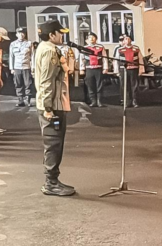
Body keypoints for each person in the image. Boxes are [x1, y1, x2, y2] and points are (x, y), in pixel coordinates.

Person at [34, 20, 75, 196]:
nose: (63, 35)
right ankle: (51, 183)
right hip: (52, 104)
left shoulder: (47, 48)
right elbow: (46, 81)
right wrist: (48, 108)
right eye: (60, 33)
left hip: (54, 102)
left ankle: (53, 180)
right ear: (51, 35)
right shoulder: (49, 51)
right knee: (53, 143)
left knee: (55, 143)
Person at [114, 34, 144, 108]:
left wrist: (141, 69)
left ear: (131, 40)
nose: (127, 40)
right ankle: (127, 101)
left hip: (134, 69)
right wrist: (116, 71)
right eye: (125, 39)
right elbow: (116, 60)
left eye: (128, 39)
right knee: (125, 86)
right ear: (123, 41)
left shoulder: (136, 49)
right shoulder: (119, 49)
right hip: (123, 70)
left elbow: (140, 59)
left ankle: (134, 100)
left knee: (134, 85)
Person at [80, 33, 109, 107]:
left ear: (96, 39)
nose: (92, 39)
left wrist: (105, 68)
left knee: (99, 85)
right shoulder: (84, 48)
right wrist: (82, 69)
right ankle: (93, 101)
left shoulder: (101, 47)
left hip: (98, 68)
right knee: (90, 85)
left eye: (93, 37)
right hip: (89, 68)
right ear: (87, 39)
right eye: (90, 37)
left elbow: (105, 58)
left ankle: (99, 101)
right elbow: (82, 59)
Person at [10, 28, 34, 107]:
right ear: (16, 34)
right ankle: (20, 100)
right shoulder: (13, 44)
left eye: (23, 33)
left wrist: (33, 67)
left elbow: (32, 56)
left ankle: (28, 100)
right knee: (18, 84)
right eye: (19, 33)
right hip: (17, 67)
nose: (21, 35)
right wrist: (12, 68)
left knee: (28, 84)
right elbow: (11, 56)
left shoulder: (29, 43)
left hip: (26, 66)